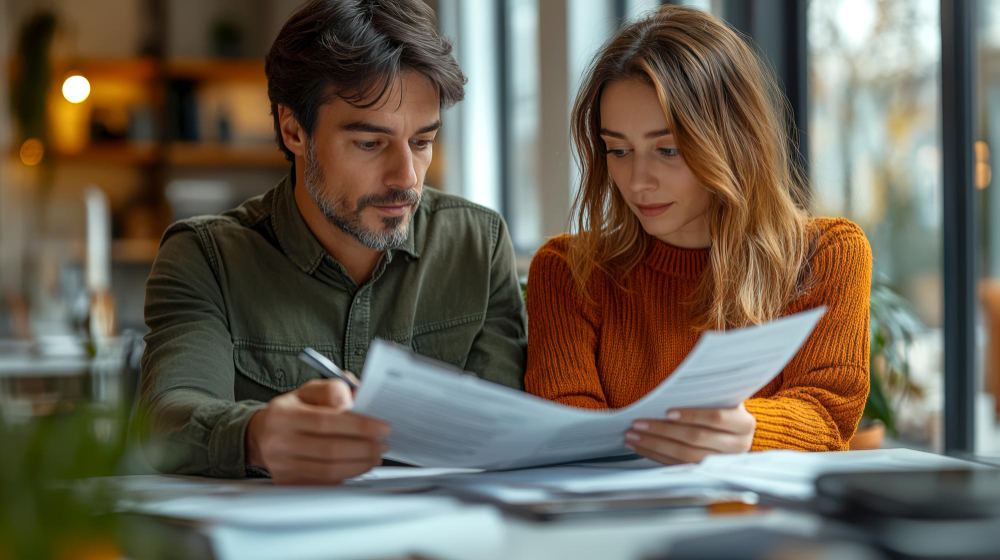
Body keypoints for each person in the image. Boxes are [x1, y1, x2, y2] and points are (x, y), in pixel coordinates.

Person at [139, 0, 527, 484]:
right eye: (370, 143)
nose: (406, 178)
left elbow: (508, 430)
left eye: (422, 142)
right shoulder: (206, 259)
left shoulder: (478, 244)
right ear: (293, 130)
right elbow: (167, 420)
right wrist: (256, 434)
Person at [525, 5, 872, 464]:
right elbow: (566, 433)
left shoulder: (827, 254)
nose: (637, 180)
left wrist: (749, 430)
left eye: (667, 149)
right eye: (618, 150)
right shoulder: (568, 271)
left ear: (733, 140)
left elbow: (828, 417)